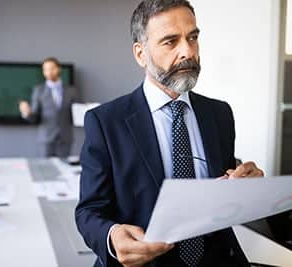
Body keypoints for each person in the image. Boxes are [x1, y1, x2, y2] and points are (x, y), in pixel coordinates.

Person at [75, 1, 264, 266]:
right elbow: (89, 210)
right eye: (170, 42)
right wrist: (112, 235)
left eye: (193, 38)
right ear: (141, 54)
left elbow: (221, 187)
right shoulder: (106, 122)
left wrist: (247, 186)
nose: (187, 51)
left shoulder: (220, 114)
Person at [18, 57, 78, 158]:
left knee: (65, 170)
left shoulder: (71, 90)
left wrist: (86, 110)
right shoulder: (38, 90)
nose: (48, 72)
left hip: (65, 138)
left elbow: (76, 115)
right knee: (46, 170)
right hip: (46, 139)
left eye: (51, 68)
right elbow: (34, 117)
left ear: (58, 69)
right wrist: (27, 113)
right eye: (45, 69)